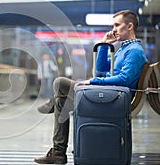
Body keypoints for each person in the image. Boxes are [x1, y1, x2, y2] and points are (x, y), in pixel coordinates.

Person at [34, 10, 147, 164]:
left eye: (117, 25)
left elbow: (125, 79)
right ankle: (58, 152)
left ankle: (52, 107)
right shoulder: (123, 49)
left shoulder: (134, 51)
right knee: (63, 101)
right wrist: (104, 45)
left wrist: (93, 82)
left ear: (130, 26)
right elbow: (101, 71)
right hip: (111, 94)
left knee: (60, 83)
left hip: (115, 99)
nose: (113, 29)